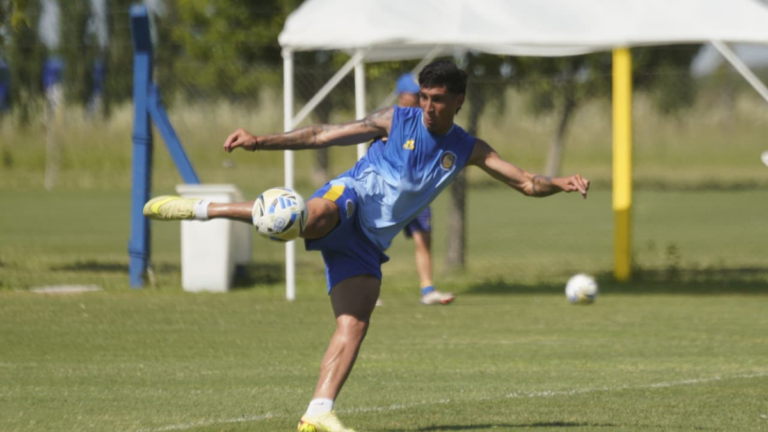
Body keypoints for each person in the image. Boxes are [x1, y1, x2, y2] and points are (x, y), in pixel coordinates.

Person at [143, 60, 590, 432]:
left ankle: (317, 412)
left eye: (438, 99)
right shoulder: (397, 119)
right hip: (351, 199)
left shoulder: (467, 148)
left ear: (458, 101)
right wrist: (260, 141)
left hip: (370, 242)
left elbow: (528, 183)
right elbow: (321, 134)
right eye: (424, 96)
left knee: (354, 324)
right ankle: (203, 210)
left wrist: (561, 183)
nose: (428, 106)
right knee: (309, 215)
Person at [391, 73, 455, 305]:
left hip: (418, 194)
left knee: (423, 239)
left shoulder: (429, 122)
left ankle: (427, 290)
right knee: (376, 242)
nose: (423, 101)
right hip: (391, 193)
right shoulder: (392, 120)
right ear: (402, 96)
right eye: (417, 95)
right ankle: (370, 291)